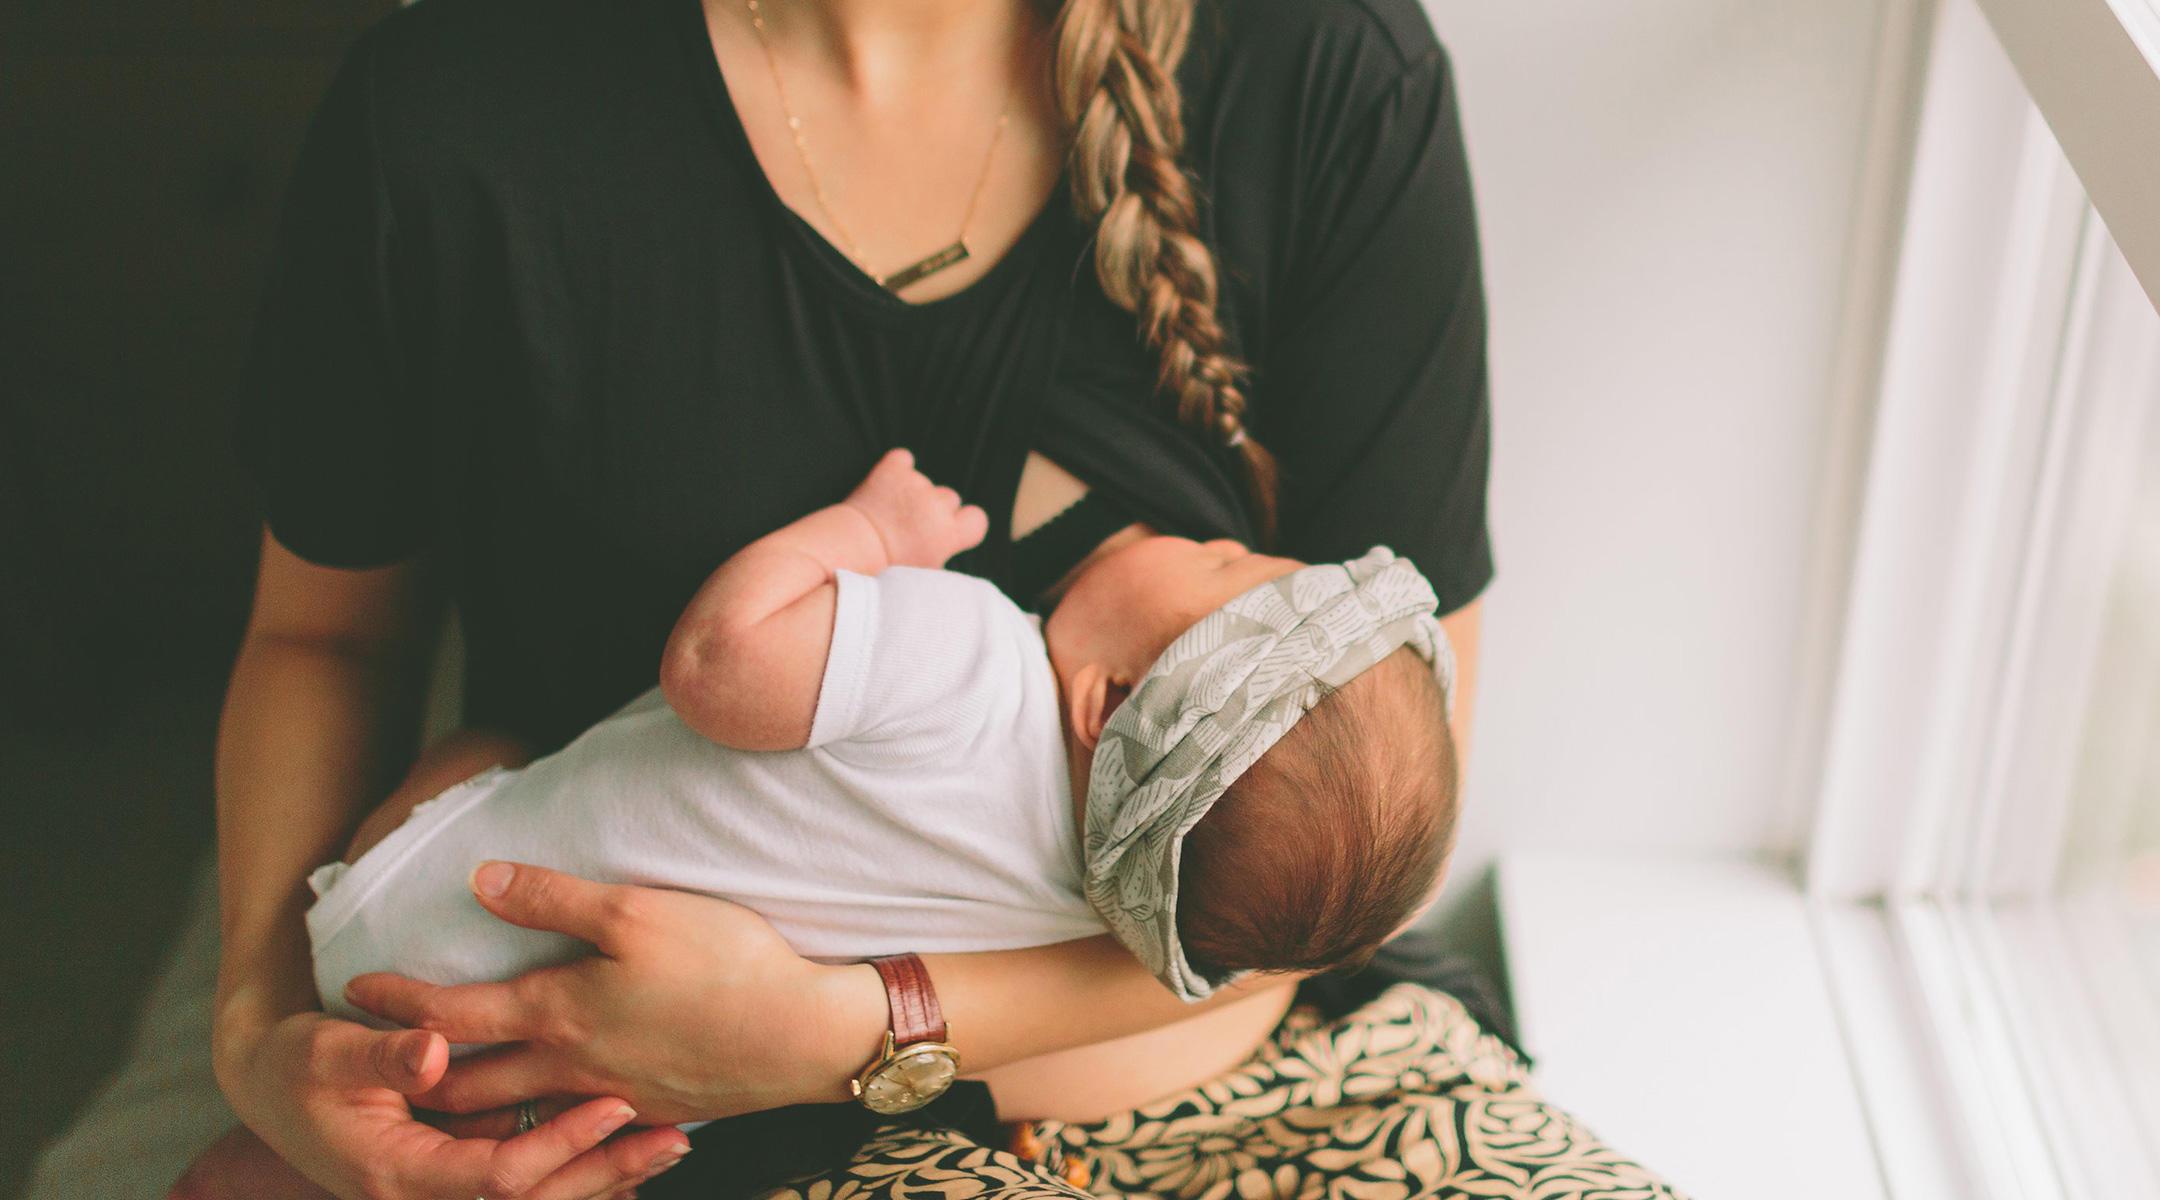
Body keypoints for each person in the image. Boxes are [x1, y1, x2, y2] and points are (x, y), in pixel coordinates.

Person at [22, 0, 1682, 1196]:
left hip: (1245, 1098)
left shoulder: (1322, 72)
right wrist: (255, 1031)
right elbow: (326, 635)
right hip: (609, 1122)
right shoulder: (454, 108)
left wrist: (848, 1029)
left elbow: (1373, 837)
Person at [184, 447, 1464, 1194]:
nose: (1217, 539)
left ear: (1105, 700)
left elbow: (721, 665)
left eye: (1227, 569)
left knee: (491, 743)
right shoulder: (1098, 897)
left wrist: (867, 535)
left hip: (414, 926)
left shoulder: (967, 655)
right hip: (590, 1101)